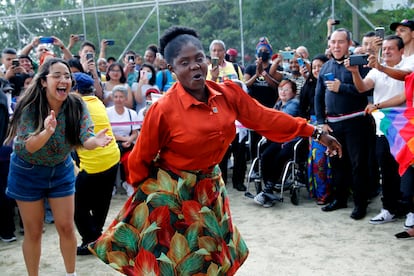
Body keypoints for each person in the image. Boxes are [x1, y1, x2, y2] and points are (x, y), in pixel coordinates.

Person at [88, 25, 342, 275]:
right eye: (184, 62)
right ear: (171, 68)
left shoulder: (227, 93)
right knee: (178, 265)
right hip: (173, 194)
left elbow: (265, 118)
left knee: (213, 262)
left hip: (210, 190)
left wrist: (315, 132)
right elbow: (140, 158)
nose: (195, 66)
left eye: (199, 58)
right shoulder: (163, 109)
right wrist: (144, 196)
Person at [4, 58, 113, 276]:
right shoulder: (30, 105)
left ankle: (70, 274)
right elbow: (27, 148)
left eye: (67, 76)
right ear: (44, 81)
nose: (64, 80)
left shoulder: (76, 104)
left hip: (60, 168)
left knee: (66, 227)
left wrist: (95, 142)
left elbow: (85, 137)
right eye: (57, 76)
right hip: (27, 171)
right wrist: (47, 132)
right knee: (34, 232)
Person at [347, 35, 414, 224]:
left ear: (401, 51)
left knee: (408, 170)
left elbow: (404, 96)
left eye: (391, 48)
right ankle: (389, 208)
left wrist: (377, 105)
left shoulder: (406, 69)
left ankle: (410, 210)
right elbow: (362, 87)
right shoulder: (376, 70)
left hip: (404, 129)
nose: (386, 52)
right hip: (383, 128)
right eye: (384, 49)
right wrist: (354, 72)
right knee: (387, 169)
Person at [315, 28, 372, 220]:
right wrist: (322, 122)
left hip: (356, 122)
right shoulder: (325, 67)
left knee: (358, 165)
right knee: (337, 163)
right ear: (329, 45)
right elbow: (318, 97)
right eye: (333, 42)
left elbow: (366, 92)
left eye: (341, 42)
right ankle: (339, 199)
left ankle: (360, 204)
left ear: (349, 44)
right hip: (333, 125)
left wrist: (343, 87)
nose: (336, 46)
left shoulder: (360, 64)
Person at [72, 72, 120, 255]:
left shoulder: (76, 106)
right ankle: (96, 237)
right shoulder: (97, 102)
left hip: (94, 164)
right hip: (112, 157)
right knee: (102, 201)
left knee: (77, 206)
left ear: (76, 90)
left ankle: (90, 240)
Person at [254, 79, 302, 207]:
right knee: (265, 155)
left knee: (279, 157)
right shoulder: (279, 103)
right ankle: (268, 188)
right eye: (281, 89)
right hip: (279, 139)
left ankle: (268, 189)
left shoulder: (294, 104)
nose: (283, 92)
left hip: (292, 140)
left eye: (286, 89)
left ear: (293, 92)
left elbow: (279, 121)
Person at [299, 54, 332, 205]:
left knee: (333, 158)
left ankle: (337, 192)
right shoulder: (309, 84)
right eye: (314, 67)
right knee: (319, 159)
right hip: (315, 125)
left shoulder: (332, 82)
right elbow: (302, 106)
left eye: (321, 66)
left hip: (333, 122)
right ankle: (321, 193)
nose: (317, 70)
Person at [106, 85, 140, 197]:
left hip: (127, 144)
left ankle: (129, 183)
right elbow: (107, 132)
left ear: (125, 98)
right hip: (111, 143)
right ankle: (111, 186)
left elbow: (135, 133)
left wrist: (129, 140)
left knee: (130, 159)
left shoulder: (132, 113)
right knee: (109, 160)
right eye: (115, 97)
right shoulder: (107, 112)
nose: (118, 99)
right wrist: (125, 139)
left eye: (121, 97)